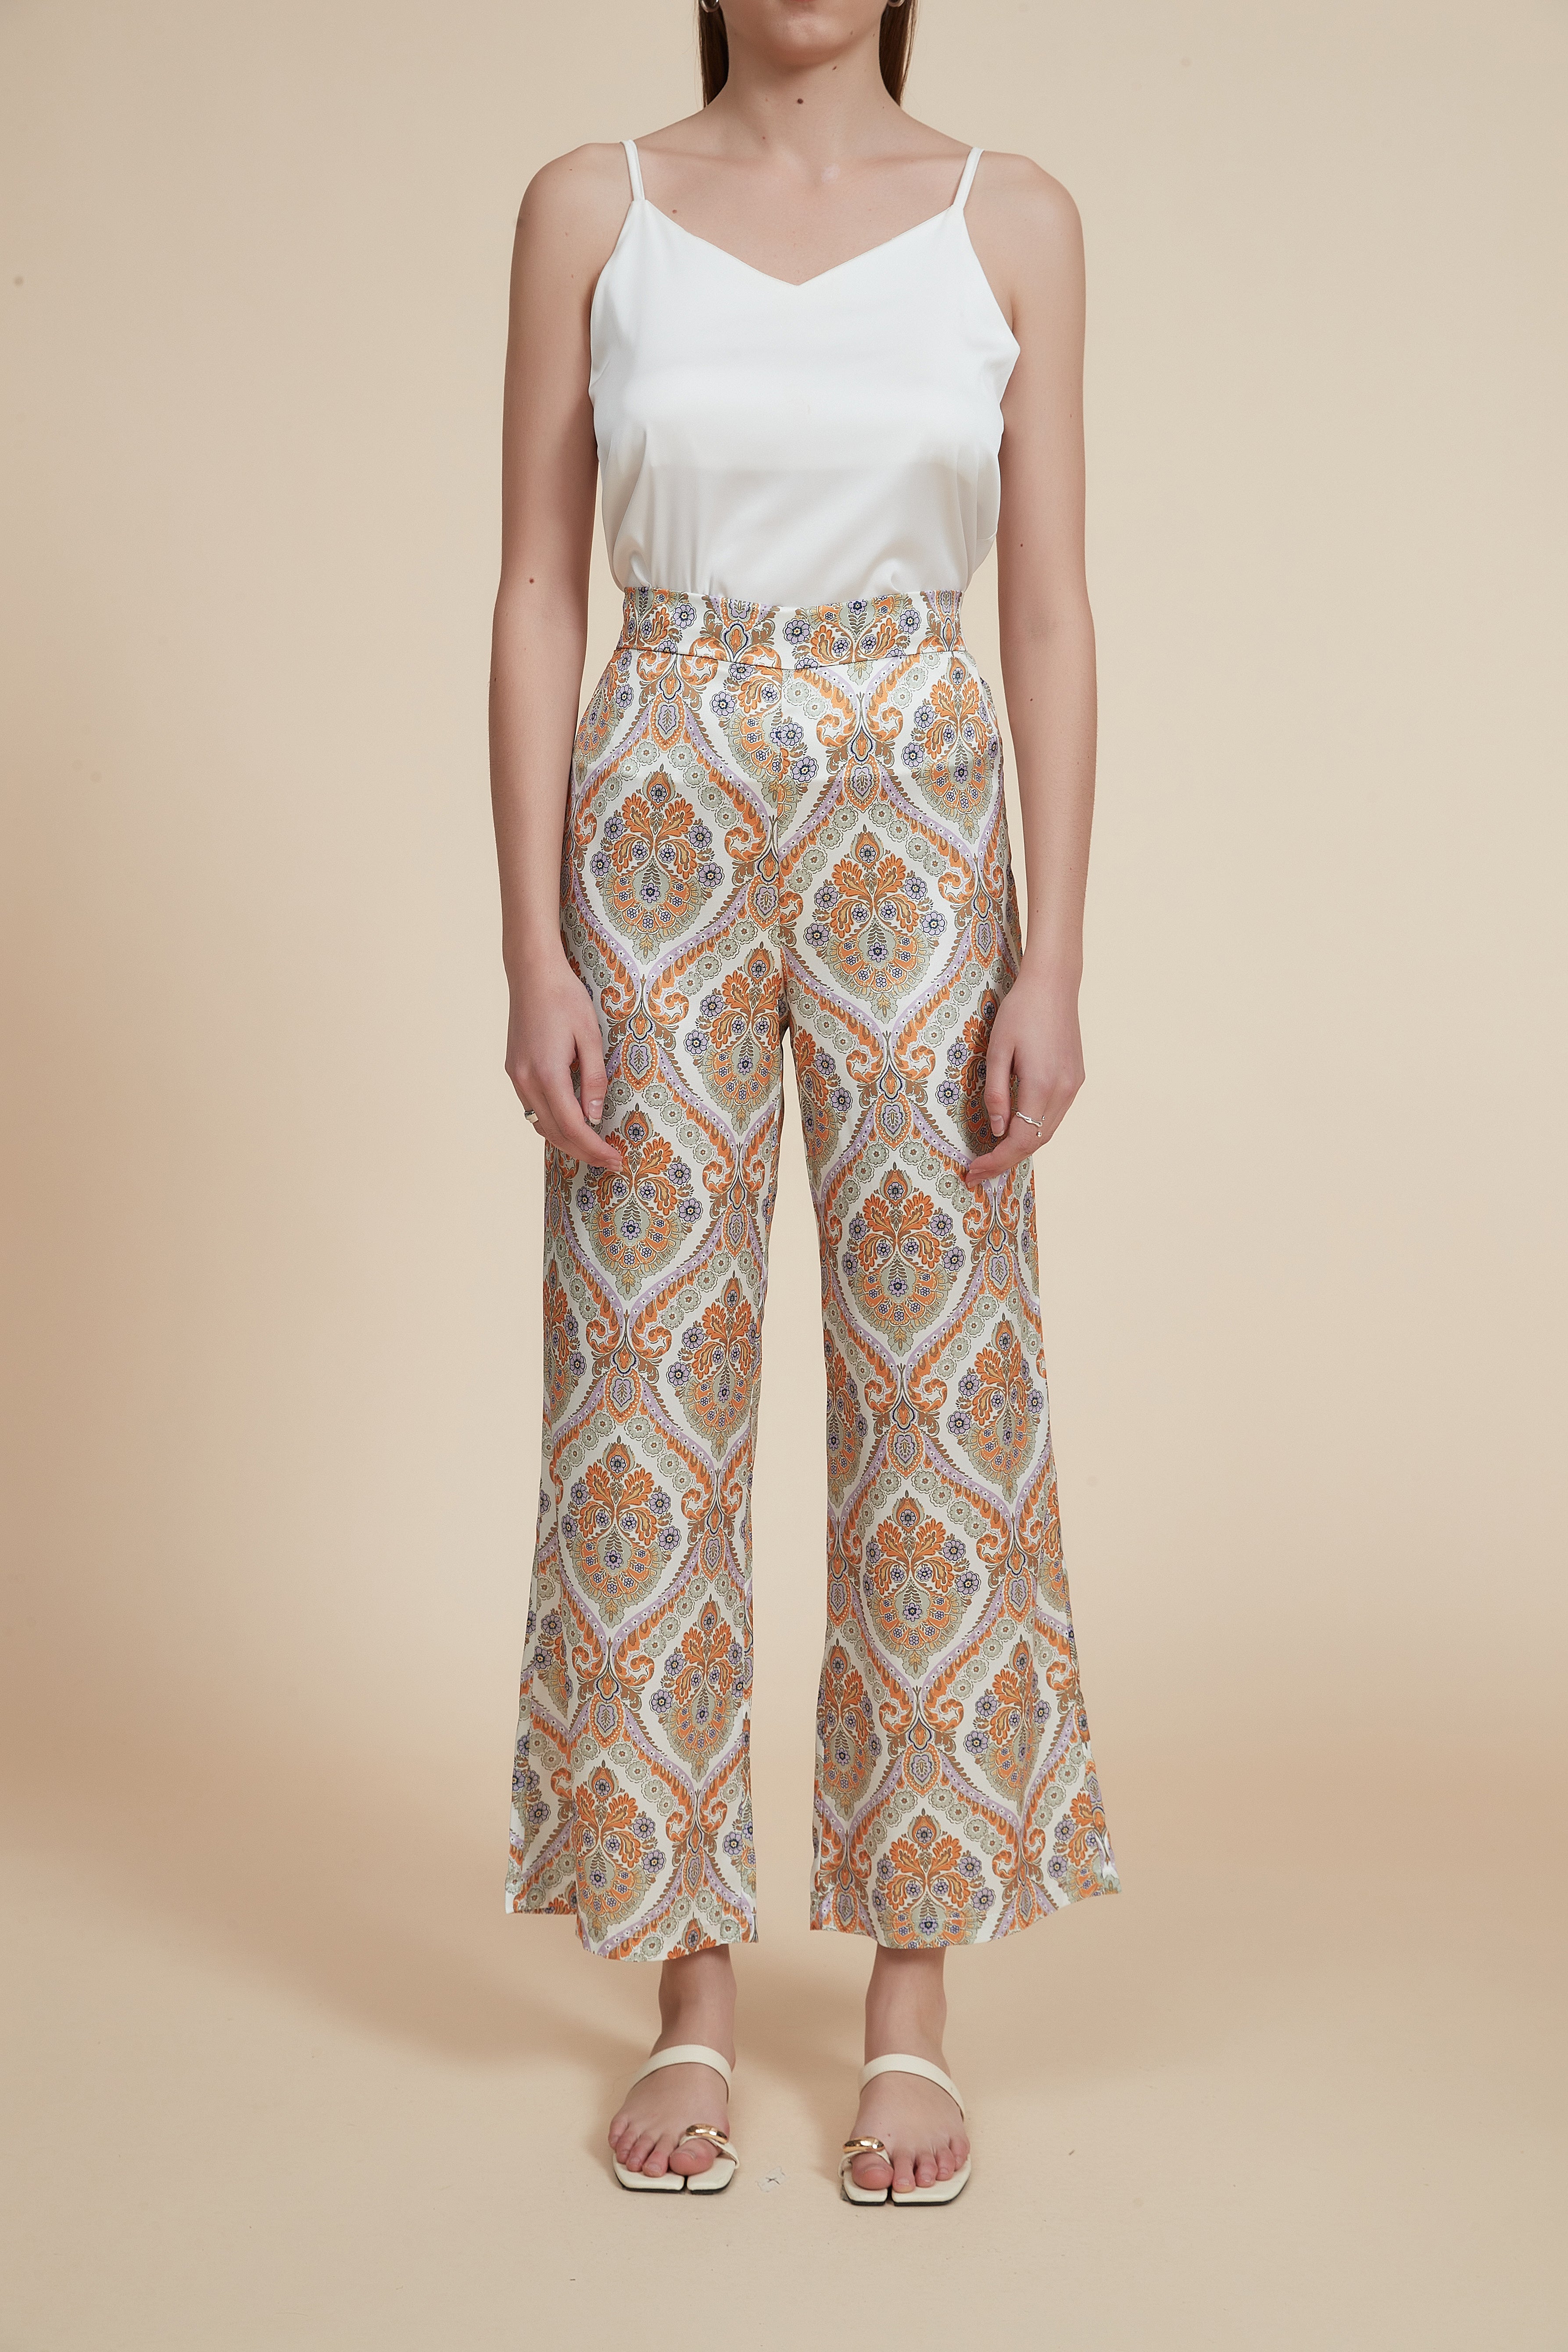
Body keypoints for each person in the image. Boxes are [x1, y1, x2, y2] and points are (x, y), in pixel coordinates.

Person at [488, 0, 1118, 2205]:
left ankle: (910, 2012)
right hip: (660, 761)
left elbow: (1049, 611)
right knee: (640, 1378)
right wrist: (533, 945)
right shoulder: (593, 207)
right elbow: (538, 587)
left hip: (917, 790)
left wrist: (1054, 951)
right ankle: (685, 1985)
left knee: (942, 1381)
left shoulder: (1011, 219)